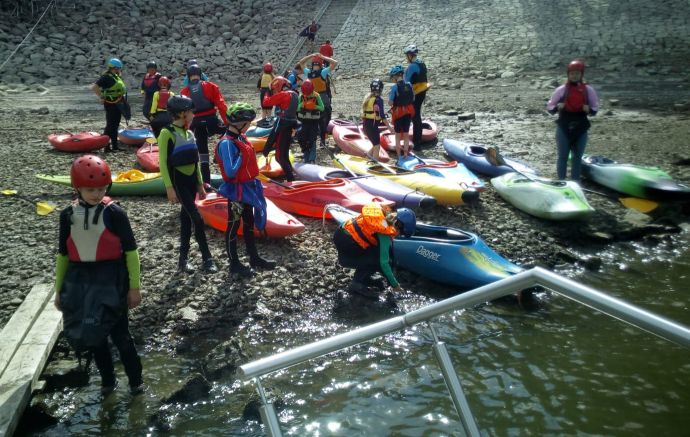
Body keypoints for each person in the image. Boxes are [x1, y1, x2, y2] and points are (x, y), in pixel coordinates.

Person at [53, 155, 144, 396]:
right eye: (90, 189)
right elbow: (63, 255)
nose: (96, 194)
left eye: (102, 188)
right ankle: (108, 382)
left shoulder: (115, 213)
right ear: (77, 187)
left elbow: (131, 252)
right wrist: (59, 290)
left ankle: (136, 383)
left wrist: (134, 287)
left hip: (112, 279)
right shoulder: (67, 215)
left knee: (121, 335)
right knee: (95, 336)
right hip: (81, 280)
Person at [215, 102, 277, 277]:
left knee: (249, 224)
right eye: (248, 122)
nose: (250, 125)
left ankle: (254, 258)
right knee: (233, 226)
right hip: (236, 192)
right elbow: (230, 171)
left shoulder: (240, 138)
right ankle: (234, 263)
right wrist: (241, 156)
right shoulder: (227, 143)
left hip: (248, 189)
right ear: (240, 123)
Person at [157, 95, 218, 274]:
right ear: (182, 113)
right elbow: (163, 162)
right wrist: (169, 188)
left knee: (185, 220)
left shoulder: (189, 133)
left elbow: (196, 161)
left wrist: (200, 184)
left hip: (191, 182)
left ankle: (182, 260)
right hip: (179, 182)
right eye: (191, 111)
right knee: (197, 219)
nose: (193, 114)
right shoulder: (166, 133)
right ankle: (207, 258)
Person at [333, 203, 416, 296]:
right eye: (401, 233)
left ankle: (364, 278)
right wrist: (395, 285)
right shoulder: (384, 232)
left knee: (376, 253)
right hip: (347, 244)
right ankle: (357, 284)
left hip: (341, 234)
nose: (399, 236)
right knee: (376, 259)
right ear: (398, 226)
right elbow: (383, 262)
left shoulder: (384, 217)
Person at [546, 59, 599, 181]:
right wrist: (557, 107)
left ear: (581, 75)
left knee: (577, 157)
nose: (575, 76)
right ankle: (561, 181)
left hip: (581, 128)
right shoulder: (562, 89)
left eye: (577, 73)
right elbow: (550, 106)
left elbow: (595, 108)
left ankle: (575, 182)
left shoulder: (588, 90)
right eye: (572, 73)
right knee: (562, 156)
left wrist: (589, 109)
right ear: (568, 74)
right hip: (564, 127)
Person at [180, 64, 229, 184]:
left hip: (196, 125)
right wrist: (228, 123)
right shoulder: (211, 86)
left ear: (188, 76)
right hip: (212, 121)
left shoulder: (184, 91)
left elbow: (182, 114)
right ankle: (219, 154)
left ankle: (206, 183)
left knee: (203, 155)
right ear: (201, 74)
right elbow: (222, 106)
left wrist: (186, 128)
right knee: (228, 133)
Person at [262, 76, 299, 181]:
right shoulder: (295, 94)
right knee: (284, 153)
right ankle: (291, 175)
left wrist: (267, 92)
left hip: (283, 125)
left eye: (274, 89)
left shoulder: (284, 94)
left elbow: (266, 102)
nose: (274, 91)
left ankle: (291, 179)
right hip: (291, 124)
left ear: (278, 86)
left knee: (279, 156)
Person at [91, 58, 130, 152]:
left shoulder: (115, 76)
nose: (120, 70)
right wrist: (101, 97)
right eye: (119, 68)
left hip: (117, 103)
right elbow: (94, 87)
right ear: (114, 68)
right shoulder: (106, 77)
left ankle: (114, 146)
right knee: (110, 125)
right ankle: (107, 146)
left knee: (115, 124)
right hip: (110, 104)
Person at [299, 53, 338, 147]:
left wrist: (318, 56)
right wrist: (316, 56)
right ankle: (320, 140)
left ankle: (321, 139)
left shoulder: (316, 72)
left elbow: (335, 63)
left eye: (316, 64)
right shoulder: (316, 72)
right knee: (320, 119)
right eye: (315, 64)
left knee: (321, 118)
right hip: (318, 97)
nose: (315, 66)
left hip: (318, 96)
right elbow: (301, 63)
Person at [403, 45, 430, 150]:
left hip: (415, 94)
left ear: (410, 55)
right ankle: (416, 140)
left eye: (406, 55)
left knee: (415, 117)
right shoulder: (421, 63)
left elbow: (406, 82)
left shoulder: (412, 66)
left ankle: (417, 143)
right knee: (416, 115)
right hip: (422, 92)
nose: (406, 58)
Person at [388, 65, 415, 157]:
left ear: (395, 76)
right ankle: (406, 154)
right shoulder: (409, 84)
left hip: (398, 114)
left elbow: (390, 103)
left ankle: (399, 156)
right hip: (408, 112)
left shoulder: (394, 88)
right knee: (406, 134)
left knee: (398, 136)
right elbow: (413, 98)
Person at [361, 79, 391, 161]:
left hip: (366, 125)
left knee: (375, 145)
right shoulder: (379, 100)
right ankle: (375, 165)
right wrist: (390, 128)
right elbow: (382, 116)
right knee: (377, 146)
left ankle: (367, 158)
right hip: (372, 126)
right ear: (381, 89)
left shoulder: (368, 98)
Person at [297, 79, 325, 163]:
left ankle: (312, 158)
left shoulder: (317, 96)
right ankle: (306, 155)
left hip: (314, 122)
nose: (307, 95)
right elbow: (297, 108)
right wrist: (303, 105)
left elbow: (322, 108)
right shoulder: (301, 96)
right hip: (304, 122)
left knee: (312, 139)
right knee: (302, 138)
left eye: (308, 93)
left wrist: (314, 106)